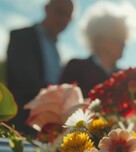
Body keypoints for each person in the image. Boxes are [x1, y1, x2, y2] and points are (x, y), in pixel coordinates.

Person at [6, 0, 74, 135]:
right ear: (47, 9)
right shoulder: (21, 37)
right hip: (19, 128)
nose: (63, 19)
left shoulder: (57, 51)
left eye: (67, 16)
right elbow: (25, 81)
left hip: (47, 131)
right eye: (59, 12)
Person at [60, 2, 128, 96]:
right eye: (118, 39)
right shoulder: (76, 67)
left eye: (124, 40)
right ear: (100, 41)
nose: (124, 45)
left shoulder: (125, 77)